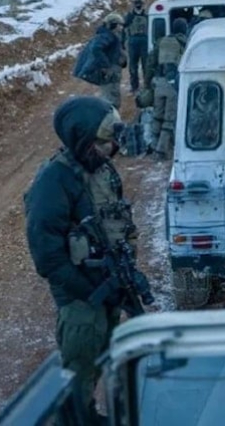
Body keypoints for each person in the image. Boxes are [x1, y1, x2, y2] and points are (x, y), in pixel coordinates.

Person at [23, 96, 135, 424]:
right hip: (80, 299)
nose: (111, 149)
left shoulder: (100, 169)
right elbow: (48, 258)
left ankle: (85, 414)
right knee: (78, 368)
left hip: (107, 286)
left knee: (97, 358)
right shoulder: (53, 181)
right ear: (82, 140)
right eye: (104, 143)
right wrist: (91, 290)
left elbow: (118, 220)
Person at [148, 17, 188, 159]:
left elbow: (150, 62)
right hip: (172, 84)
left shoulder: (161, 41)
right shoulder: (184, 42)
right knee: (169, 119)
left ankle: (153, 145)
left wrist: (148, 84)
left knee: (157, 115)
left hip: (159, 82)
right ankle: (161, 151)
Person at [72, 12, 126, 109]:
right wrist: (106, 66)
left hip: (111, 72)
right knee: (111, 98)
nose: (121, 27)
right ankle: (111, 121)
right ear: (113, 24)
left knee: (110, 96)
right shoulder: (106, 35)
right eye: (119, 24)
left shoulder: (108, 35)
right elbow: (96, 49)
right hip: (109, 74)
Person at [122, 0, 149, 94]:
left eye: (139, 3)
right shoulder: (129, 16)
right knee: (133, 66)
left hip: (144, 40)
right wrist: (122, 43)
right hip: (132, 41)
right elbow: (123, 30)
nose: (138, 5)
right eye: (136, 3)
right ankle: (134, 86)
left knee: (146, 65)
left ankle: (147, 85)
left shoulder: (147, 16)